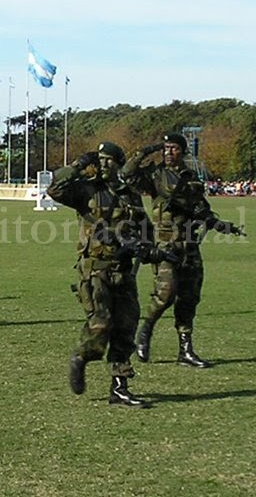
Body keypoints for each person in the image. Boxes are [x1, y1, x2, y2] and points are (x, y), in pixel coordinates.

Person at [47, 142, 175, 408]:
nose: (104, 165)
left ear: (119, 163)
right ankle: (82, 357)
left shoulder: (129, 194)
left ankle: (120, 388)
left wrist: (151, 252)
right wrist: (79, 165)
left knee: (125, 328)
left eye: (110, 160)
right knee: (101, 324)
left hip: (124, 270)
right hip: (95, 269)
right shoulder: (87, 189)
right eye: (100, 160)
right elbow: (55, 189)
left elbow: (145, 232)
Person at [121, 133, 244, 368]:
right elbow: (127, 174)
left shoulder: (192, 180)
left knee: (189, 298)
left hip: (190, 246)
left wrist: (220, 224)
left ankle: (185, 350)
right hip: (166, 245)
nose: (168, 152)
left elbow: (202, 210)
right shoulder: (156, 175)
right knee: (165, 295)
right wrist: (147, 150)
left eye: (173, 148)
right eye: (165, 148)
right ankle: (145, 331)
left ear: (183, 151)